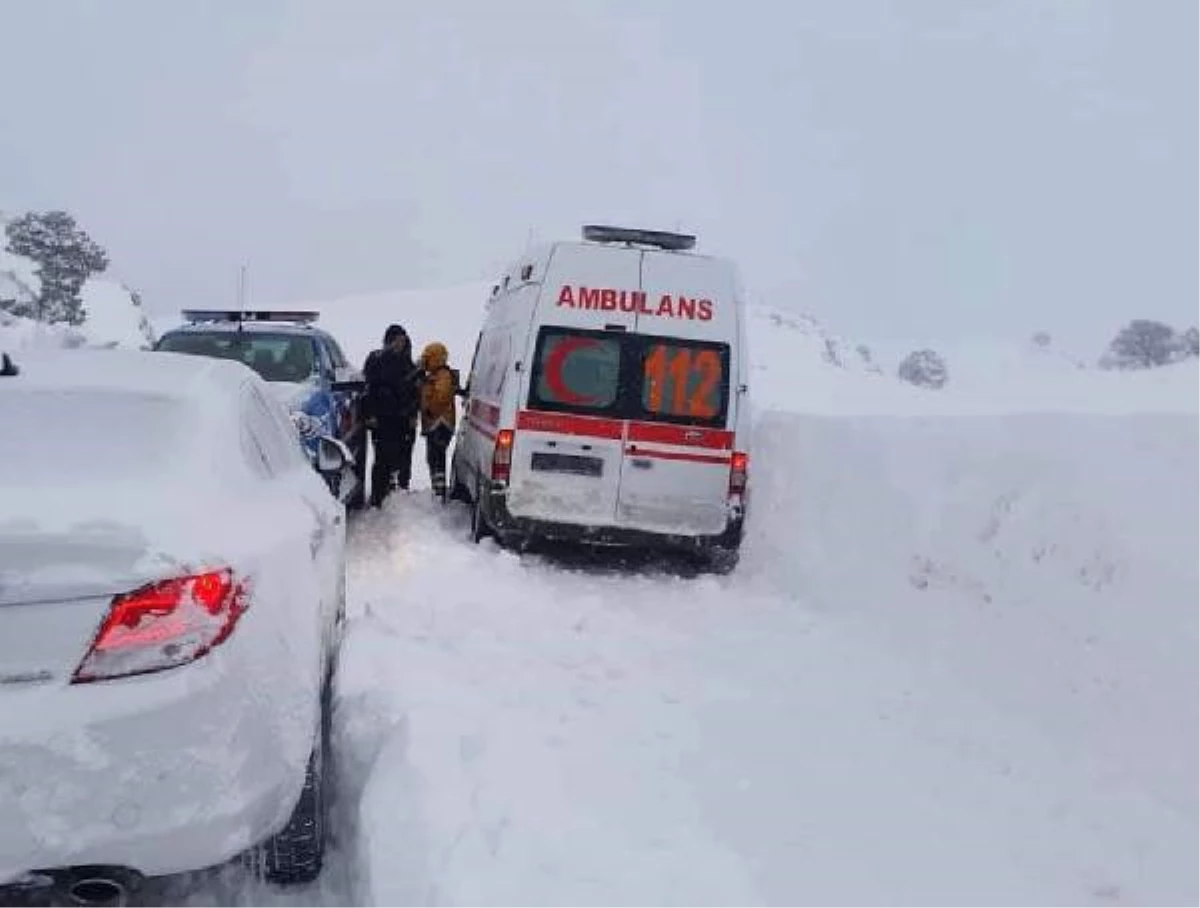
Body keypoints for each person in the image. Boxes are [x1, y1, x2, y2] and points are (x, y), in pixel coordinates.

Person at [361, 324, 421, 507]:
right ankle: (378, 497)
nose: (399, 344)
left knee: (403, 457)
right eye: (396, 340)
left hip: (402, 418)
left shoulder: (408, 363)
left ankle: (400, 494)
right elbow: (368, 388)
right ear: (389, 341)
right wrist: (369, 414)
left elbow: (414, 392)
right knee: (382, 458)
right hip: (382, 417)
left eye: (403, 340)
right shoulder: (376, 360)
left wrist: (413, 415)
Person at [417, 341, 463, 501]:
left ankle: (439, 492)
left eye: (426, 358)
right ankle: (438, 489)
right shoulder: (434, 375)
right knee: (434, 457)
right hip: (436, 423)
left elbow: (442, 396)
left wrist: (430, 410)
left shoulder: (442, 375)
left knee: (436, 457)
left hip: (440, 423)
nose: (423, 361)